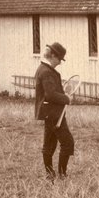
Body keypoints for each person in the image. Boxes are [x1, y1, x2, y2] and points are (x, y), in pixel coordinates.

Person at [34, 42, 73, 180]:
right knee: (67, 143)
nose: (60, 63)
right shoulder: (46, 72)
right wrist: (66, 98)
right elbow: (50, 95)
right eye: (60, 59)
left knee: (49, 144)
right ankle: (62, 175)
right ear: (53, 56)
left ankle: (50, 175)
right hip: (53, 113)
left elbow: (50, 92)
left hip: (49, 113)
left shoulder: (43, 69)